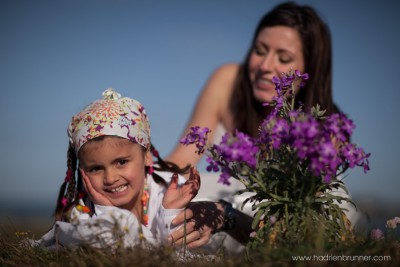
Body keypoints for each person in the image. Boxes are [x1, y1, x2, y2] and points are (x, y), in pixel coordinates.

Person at [167, 1, 353, 252]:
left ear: (310, 69)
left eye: (284, 58)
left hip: (284, 224)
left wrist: (227, 216)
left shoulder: (325, 127)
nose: (265, 66)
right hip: (230, 206)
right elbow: (182, 161)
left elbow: (293, 230)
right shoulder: (229, 80)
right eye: (260, 50)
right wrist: (139, 167)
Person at [37, 88, 200, 249]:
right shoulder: (82, 213)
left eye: (121, 162)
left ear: (146, 156)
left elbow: (180, 253)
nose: (110, 178)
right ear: (82, 170)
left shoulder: (166, 189)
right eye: (95, 169)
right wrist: (107, 212)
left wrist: (171, 213)